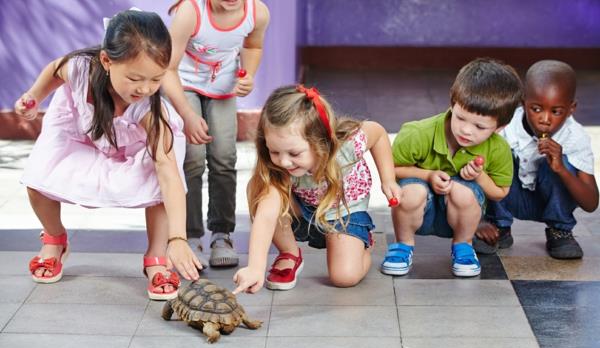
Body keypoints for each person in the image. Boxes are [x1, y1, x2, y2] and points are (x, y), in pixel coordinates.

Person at [15, 10, 203, 300]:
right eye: (135, 78)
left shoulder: (150, 112)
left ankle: (156, 257)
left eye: (156, 80)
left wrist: (178, 237)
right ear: (106, 60)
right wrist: (33, 96)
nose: (145, 88)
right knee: (40, 174)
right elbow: (54, 69)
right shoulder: (78, 69)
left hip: (133, 146)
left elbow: (168, 173)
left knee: (159, 181)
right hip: (82, 132)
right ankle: (54, 239)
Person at [232, 85, 402, 294]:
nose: (284, 161)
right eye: (274, 151)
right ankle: (289, 254)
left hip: (345, 213)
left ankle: (362, 243)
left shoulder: (347, 145)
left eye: (294, 153)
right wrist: (255, 268)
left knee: (344, 277)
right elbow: (266, 216)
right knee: (259, 188)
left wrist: (388, 179)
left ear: (320, 141)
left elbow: (378, 133)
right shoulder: (278, 167)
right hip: (303, 209)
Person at [383, 58, 522, 277]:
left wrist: (479, 176)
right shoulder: (418, 133)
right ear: (452, 101)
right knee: (411, 191)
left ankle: (463, 246)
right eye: (461, 118)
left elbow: (500, 193)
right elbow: (390, 170)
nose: (466, 130)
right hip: (419, 211)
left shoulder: (498, 148)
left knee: (462, 191)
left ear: (499, 127)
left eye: (479, 126)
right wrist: (427, 175)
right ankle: (403, 246)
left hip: (461, 217)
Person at [162, 0, 270, 267]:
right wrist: (187, 115)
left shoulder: (257, 12)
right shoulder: (190, 12)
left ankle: (222, 233)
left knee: (224, 159)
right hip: (183, 84)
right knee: (192, 159)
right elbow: (167, 68)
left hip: (222, 87)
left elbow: (252, 46)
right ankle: (190, 236)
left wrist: (249, 75)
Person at [474, 60, 599, 259]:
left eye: (556, 111)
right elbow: (472, 170)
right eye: (536, 109)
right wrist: (477, 221)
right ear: (523, 102)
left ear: (571, 109)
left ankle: (559, 230)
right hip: (506, 196)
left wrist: (561, 170)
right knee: (493, 153)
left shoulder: (575, 137)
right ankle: (498, 224)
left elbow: (591, 203)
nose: (545, 119)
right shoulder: (506, 127)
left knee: (563, 161)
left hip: (547, 201)